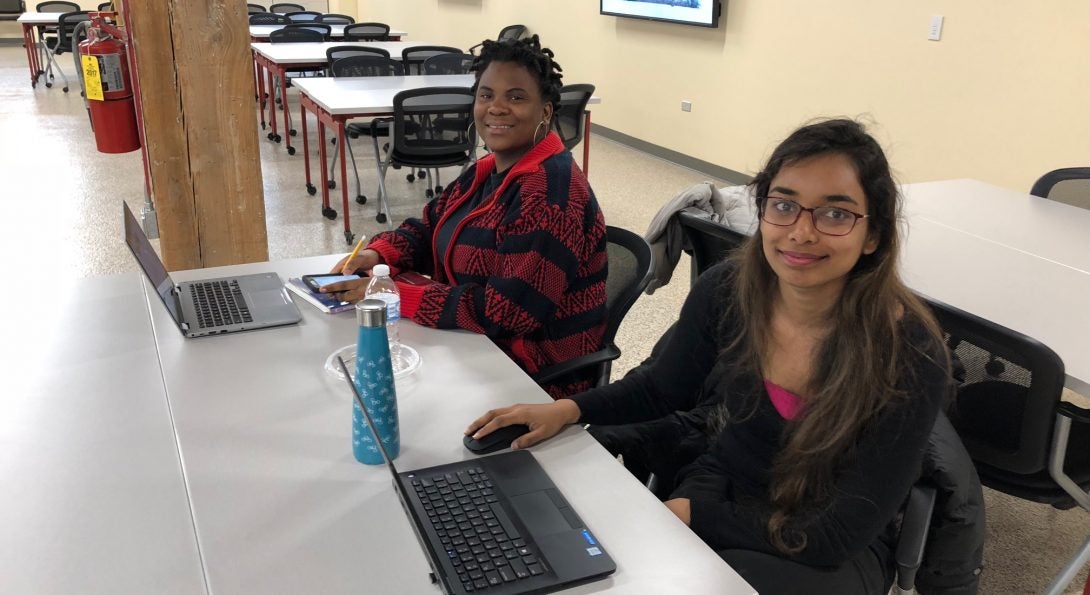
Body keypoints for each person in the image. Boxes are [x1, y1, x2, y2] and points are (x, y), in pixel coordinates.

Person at [465, 119, 951, 594]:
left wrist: (692, 516)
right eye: (783, 205)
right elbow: (662, 388)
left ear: (874, 235)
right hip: (726, 482)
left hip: (825, 538)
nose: (801, 232)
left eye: (835, 213)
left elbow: (836, 536)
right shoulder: (729, 291)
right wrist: (567, 410)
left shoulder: (909, 352)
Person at [324, 35, 608, 399]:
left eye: (516, 97)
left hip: (531, 378)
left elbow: (506, 314)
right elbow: (431, 226)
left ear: (547, 111)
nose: (497, 108)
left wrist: (398, 296)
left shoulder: (551, 194)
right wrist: (379, 255)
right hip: (474, 348)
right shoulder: (489, 169)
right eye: (486, 95)